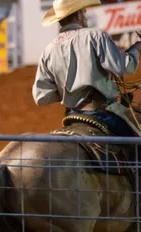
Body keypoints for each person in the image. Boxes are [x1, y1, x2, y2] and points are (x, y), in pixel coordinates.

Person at [33, 0, 141, 137]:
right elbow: (124, 67)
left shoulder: (48, 51)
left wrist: (69, 90)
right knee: (136, 146)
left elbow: (41, 96)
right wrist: (136, 49)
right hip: (103, 114)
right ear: (78, 15)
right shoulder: (95, 36)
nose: (85, 16)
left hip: (72, 116)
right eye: (84, 12)